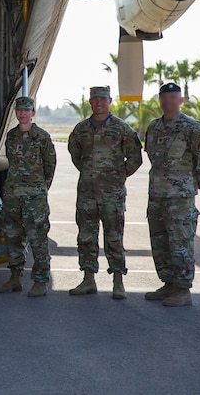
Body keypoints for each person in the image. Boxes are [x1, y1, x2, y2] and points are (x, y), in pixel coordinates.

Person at [67, 86, 143, 299]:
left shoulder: (122, 129)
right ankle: (88, 279)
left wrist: (118, 177)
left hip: (112, 194)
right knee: (86, 236)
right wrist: (89, 174)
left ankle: (118, 281)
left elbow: (135, 158)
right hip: (87, 193)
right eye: (94, 99)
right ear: (90, 102)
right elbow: (76, 155)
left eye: (102, 99)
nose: (98, 103)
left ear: (110, 100)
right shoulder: (81, 129)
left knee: (114, 236)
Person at [144, 82, 200, 307]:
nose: (168, 101)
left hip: (180, 199)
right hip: (156, 196)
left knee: (180, 243)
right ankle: (169, 283)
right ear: (160, 100)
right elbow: (153, 157)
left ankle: (183, 289)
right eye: (165, 97)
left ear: (180, 100)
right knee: (160, 242)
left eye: (173, 97)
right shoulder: (154, 127)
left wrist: (191, 185)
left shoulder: (191, 127)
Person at [0, 96, 56, 297]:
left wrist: (40, 189)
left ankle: (40, 280)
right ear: (16, 113)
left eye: (27, 110)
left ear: (33, 113)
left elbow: (50, 167)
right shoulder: (11, 136)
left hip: (34, 199)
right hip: (13, 196)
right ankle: (15, 277)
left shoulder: (42, 137)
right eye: (19, 110)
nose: (23, 113)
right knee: (13, 237)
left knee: (38, 238)